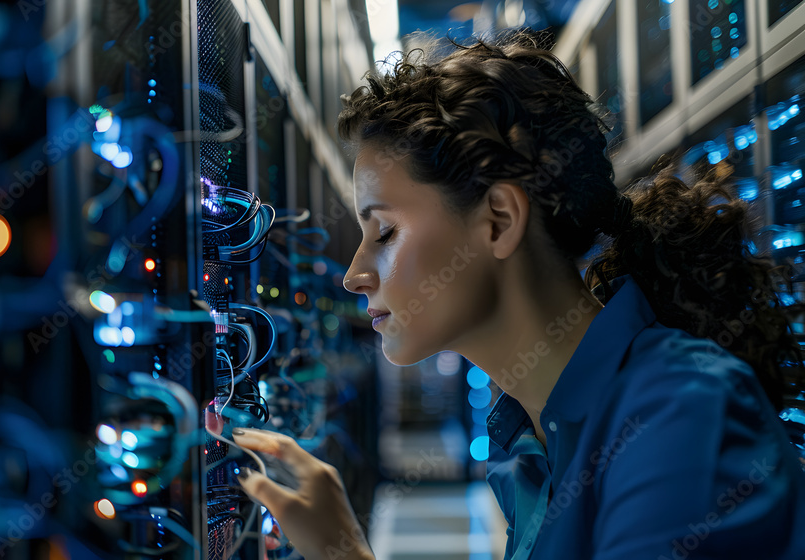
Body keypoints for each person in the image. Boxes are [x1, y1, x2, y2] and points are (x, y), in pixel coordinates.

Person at [233, 31, 805, 559]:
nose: (354, 274)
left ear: (499, 221)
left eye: (384, 232)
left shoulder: (679, 414)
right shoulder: (528, 442)